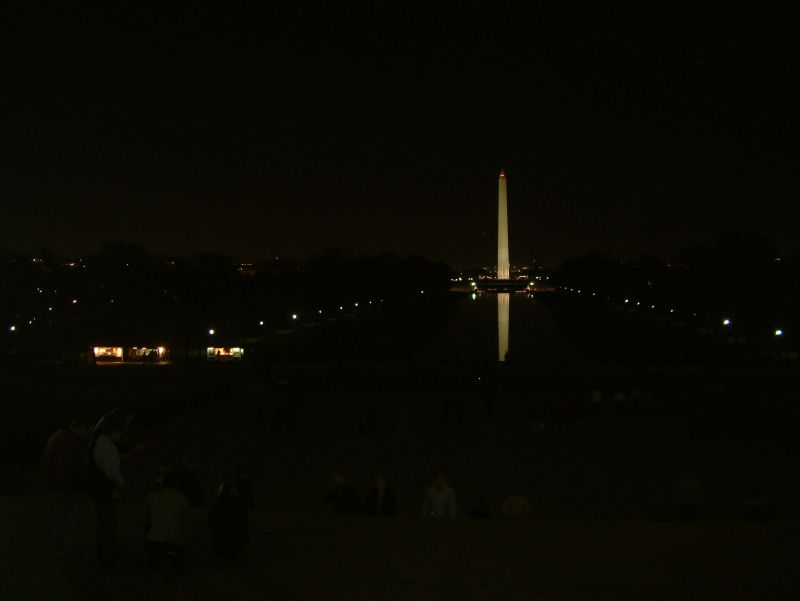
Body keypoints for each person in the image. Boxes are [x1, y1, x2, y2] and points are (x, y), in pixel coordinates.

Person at [40, 414, 92, 560]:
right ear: (82, 427)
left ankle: (61, 549)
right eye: (87, 430)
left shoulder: (59, 437)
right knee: (64, 519)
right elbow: (64, 468)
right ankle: (62, 551)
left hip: (56, 485)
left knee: (60, 517)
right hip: (63, 487)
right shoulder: (67, 442)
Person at [88, 416, 127, 572]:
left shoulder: (97, 443)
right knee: (109, 528)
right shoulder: (108, 447)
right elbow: (112, 472)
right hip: (108, 493)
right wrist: (122, 484)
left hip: (99, 492)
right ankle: (109, 562)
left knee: (102, 526)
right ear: (115, 432)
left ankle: (102, 558)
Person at [142, 468, 189, 572]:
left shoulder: (152, 497)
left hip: (155, 541)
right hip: (175, 542)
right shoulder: (182, 498)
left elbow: (144, 518)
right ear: (176, 485)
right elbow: (186, 518)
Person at [208, 481, 249, 561]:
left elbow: (211, 517)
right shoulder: (237, 503)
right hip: (234, 533)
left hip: (221, 533)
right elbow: (243, 519)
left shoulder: (217, 502)